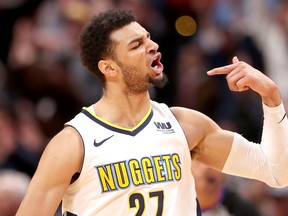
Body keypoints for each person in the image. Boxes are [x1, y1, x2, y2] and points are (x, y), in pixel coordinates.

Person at [16, 9, 288, 216]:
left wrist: (271, 98)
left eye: (148, 38)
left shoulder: (186, 125)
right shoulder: (74, 143)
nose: (152, 46)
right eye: (136, 45)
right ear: (109, 68)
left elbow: (276, 172)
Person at [192, 160, 262, 216]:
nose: (206, 168)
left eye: (214, 162)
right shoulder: (181, 202)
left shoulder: (242, 210)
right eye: (199, 160)